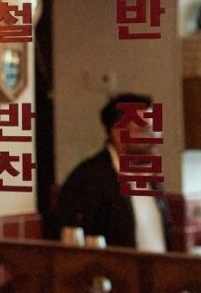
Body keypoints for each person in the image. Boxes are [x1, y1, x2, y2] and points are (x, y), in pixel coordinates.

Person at [55, 93, 170, 252]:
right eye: (145, 130)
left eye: (156, 130)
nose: (155, 139)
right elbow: (73, 242)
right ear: (118, 134)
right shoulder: (89, 178)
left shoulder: (149, 177)